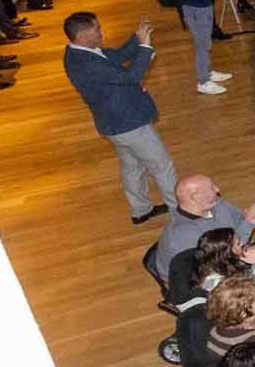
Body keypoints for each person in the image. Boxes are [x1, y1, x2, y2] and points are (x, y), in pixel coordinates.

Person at [61, 11, 179, 225]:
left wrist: (137, 37)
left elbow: (116, 55)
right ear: (83, 35)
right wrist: (144, 47)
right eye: (97, 29)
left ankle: (141, 209)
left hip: (114, 125)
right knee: (162, 166)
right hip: (128, 124)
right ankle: (182, 216)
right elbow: (131, 77)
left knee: (133, 166)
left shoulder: (79, 52)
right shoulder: (87, 63)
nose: (102, 31)